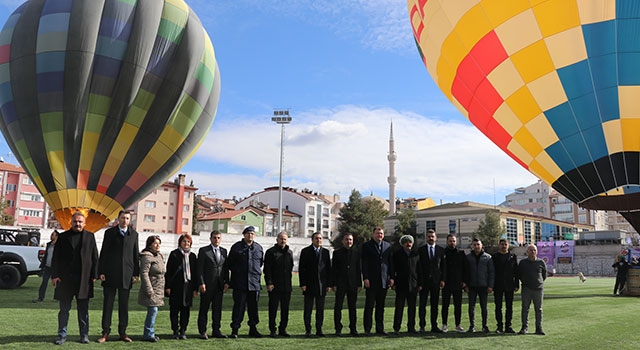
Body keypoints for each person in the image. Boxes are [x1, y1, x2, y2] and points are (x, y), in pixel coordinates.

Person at [51, 212, 99, 345]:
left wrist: (94, 274)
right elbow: (56, 257)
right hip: (65, 280)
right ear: (71, 222)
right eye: (75, 221)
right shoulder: (63, 237)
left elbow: (95, 256)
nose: (77, 224)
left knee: (83, 311)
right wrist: (54, 275)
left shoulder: (90, 237)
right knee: (64, 310)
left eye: (80, 222)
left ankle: (84, 335)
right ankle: (62, 335)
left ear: (84, 223)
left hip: (84, 281)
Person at [97, 211, 139, 343]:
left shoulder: (134, 235)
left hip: (126, 275)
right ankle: (105, 333)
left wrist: (136, 273)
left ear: (130, 220)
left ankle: (123, 333)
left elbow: (135, 255)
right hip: (110, 274)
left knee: (123, 306)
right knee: (108, 305)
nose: (125, 220)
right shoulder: (109, 233)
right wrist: (101, 271)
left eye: (127, 218)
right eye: (122, 218)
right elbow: (103, 252)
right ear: (118, 219)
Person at [227, 226, 264, 338]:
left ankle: (253, 329)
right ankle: (235, 330)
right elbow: (229, 264)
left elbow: (260, 263)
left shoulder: (258, 248)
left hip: (254, 284)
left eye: (252, 233)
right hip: (240, 284)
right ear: (243, 235)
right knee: (239, 308)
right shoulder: (236, 247)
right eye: (248, 233)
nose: (250, 235)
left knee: (253, 309)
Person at [197, 230, 229, 339]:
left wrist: (227, 282)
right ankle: (202, 331)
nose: (217, 240)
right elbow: (199, 269)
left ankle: (216, 330)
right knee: (204, 309)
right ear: (210, 239)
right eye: (214, 238)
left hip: (219, 286)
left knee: (217, 310)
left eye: (218, 238)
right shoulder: (204, 251)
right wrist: (201, 283)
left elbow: (225, 268)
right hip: (207, 285)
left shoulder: (224, 251)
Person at [361, 226, 393, 336]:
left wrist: (391, 277)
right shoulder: (366, 246)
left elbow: (390, 263)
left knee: (381, 306)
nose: (379, 235)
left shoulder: (387, 246)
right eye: (377, 233)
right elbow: (364, 263)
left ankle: (380, 328)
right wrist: (365, 278)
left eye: (381, 233)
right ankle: (367, 329)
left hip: (383, 281)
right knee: (369, 306)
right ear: (373, 234)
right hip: (371, 280)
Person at [165, 234, 198, 339]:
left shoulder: (192, 256)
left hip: (188, 287)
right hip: (176, 287)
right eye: (184, 241)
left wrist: (195, 289)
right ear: (180, 242)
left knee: (185, 311)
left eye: (188, 242)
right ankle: (175, 330)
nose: (186, 243)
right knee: (174, 310)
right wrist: (168, 286)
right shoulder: (174, 254)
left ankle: (183, 330)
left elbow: (195, 274)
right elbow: (168, 272)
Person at [299, 232, 332, 337]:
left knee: (320, 310)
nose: (319, 240)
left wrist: (329, 285)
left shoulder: (326, 252)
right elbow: (302, 269)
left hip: (321, 285)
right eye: (316, 238)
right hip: (308, 285)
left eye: (320, 238)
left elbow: (328, 269)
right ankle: (308, 330)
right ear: (312, 240)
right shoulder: (305, 251)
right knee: (308, 309)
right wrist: (303, 284)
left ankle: (319, 329)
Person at [263, 231, 294, 337]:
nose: (283, 241)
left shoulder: (289, 252)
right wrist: (269, 283)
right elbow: (267, 269)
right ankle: (272, 329)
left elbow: (290, 268)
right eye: (281, 238)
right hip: (274, 286)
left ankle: (283, 329)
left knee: (285, 309)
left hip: (286, 286)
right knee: (273, 309)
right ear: (277, 240)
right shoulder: (271, 252)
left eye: (285, 239)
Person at [390, 235, 422, 335]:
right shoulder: (397, 254)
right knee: (399, 308)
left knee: (412, 308)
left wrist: (420, 284)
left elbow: (419, 270)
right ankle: (396, 328)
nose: (408, 244)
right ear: (403, 243)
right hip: (400, 285)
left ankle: (411, 328)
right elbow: (393, 269)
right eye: (406, 242)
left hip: (413, 285)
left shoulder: (416, 254)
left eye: (410, 242)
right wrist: (393, 282)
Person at [331, 233, 362, 336]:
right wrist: (334, 284)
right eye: (347, 240)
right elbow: (334, 270)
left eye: (350, 240)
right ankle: (338, 328)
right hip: (340, 284)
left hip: (353, 284)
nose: (349, 241)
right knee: (338, 307)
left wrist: (359, 284)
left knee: (352, 307)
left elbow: (358, 270)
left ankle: (353, 328)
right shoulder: (337, 253)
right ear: (343, 241)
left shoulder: (356, 253)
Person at [138, 235, 166, 342]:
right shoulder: (147, 256)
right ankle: (148, 333)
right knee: (153, 310)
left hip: (159, 288)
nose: (158, 245)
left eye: (159, 243)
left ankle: (150, 332)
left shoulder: (159, 256)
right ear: (150, 244)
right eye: (155, 243)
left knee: (154, 310)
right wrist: (149, 290)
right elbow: (144, 273)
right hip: (152, 288)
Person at [418, 229, 445, 333]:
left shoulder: (440, 250)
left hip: (436, 281)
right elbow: (418, 267)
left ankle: (434, 326)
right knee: (422, 305)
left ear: (436, 238)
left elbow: (443, 267)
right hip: (423, 282)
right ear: (426, 238)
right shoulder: (420, 250)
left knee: (435, 305)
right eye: (429, 236)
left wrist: (443, 279)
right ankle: (422, 326)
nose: (431, 238)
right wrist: (419, 282)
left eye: (432, 236)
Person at [464, 238, 494, 333]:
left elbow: (491, 273)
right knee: (471, 307)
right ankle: (472, 326)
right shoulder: (468, 257)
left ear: (482, 246)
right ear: (472, 246)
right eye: (474, 244)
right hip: (471, 286)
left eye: (478, 244)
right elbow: (465, 272)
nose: (476, 246)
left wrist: (490, 286)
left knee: (484, 307)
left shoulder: (488, 257)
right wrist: (465, 285)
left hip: (483, 286)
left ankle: (484, 326)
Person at [519, 244, 547, 335]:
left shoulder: (541, 262)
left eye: (534, 250)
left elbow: (544, 275)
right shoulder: (523, 263)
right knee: (525, 309)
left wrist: (538, 282)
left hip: (538, 289)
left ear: (537, 251)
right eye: (531, 250)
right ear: (527, 252)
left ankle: (538, 328)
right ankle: (524, 327)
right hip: (526, 289)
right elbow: (519, 274)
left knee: (538, 309)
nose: (533, 252)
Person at [441, 234, 467, 333]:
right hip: (446, 284)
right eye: (450, 241)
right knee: (445, 305)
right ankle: (444, 325)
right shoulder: (443, 253)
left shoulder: (461, 253)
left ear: (456, 242)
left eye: (454, 241)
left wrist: (464, 281)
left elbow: (465, 269)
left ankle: (458, 325)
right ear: (447, 242)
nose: (452, 243)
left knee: (458, 306)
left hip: (458, 283)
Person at [492, 239, 519, 334]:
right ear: (499, 245)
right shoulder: (494, 257)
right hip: (497, 285)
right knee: (498, 307)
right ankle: (499, 326)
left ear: (508, 245)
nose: (504, 246)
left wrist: (516, 284)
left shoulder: (512, 256)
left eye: (505, 244)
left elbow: (516, 272)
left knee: (509, 307)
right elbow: (492, 272)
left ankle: (508, 326)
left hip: (509, 285)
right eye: (502, 244)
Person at [33, 230, 58, 303]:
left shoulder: (60, 246)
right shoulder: (49, 244)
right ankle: (40, 298)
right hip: (48, 266)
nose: (51, 236)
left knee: (57, 283)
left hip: (55, 267)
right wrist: (42, 265)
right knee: (44, 282)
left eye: (53, 234)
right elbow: (46, 256)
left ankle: (57, 298)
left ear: (57, 236)